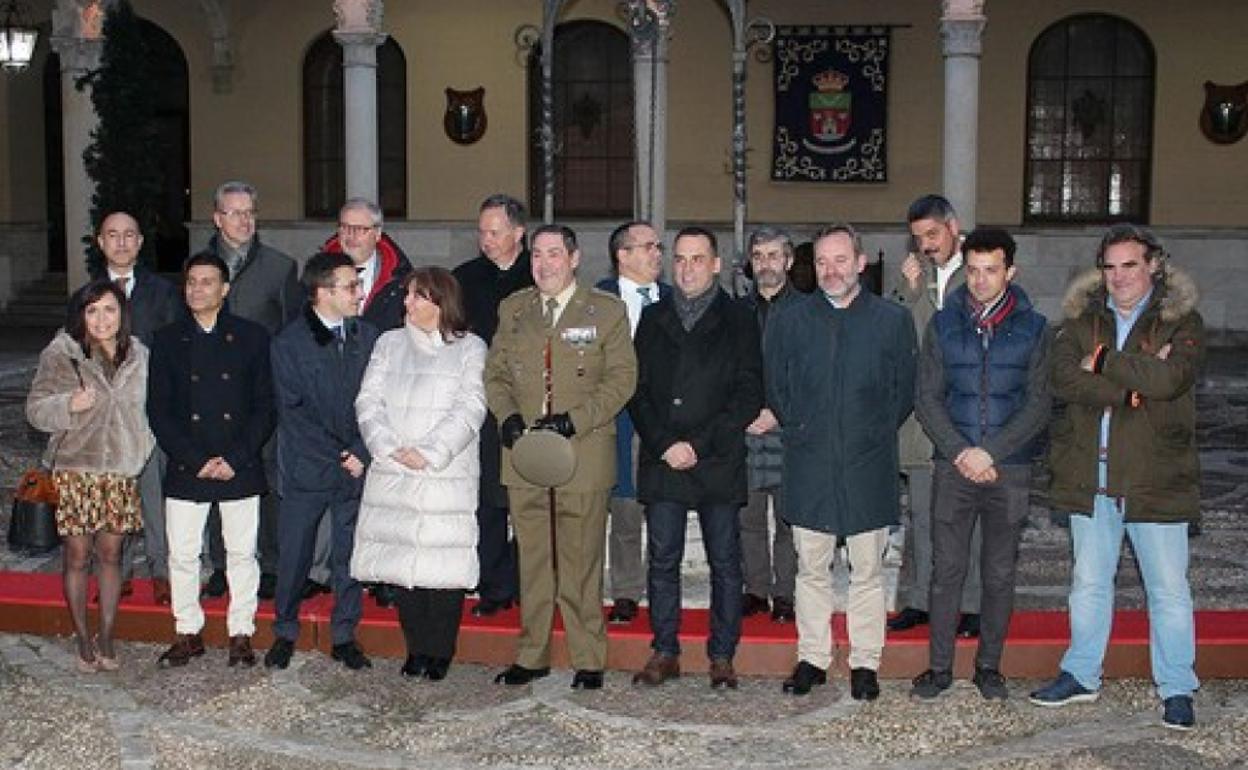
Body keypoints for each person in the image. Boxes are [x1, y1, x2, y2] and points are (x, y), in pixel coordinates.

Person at [1030, 225, 1204, 731]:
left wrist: (1103, 361)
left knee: (1169, 589)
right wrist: (1131, 386)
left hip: (1155, 476)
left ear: (1153, 266)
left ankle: (1177, 688)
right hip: (1091, 474)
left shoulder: (1181, 320)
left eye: (1130, 265)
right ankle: (1081, 674)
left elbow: (1171, 380)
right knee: (1087, 583)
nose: (1119, 276)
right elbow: (1060, 378)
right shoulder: (1082, 319)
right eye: (1110, 266)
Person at [765, 224, 917, 700]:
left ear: (860, 262)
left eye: (841, 261)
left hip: (867, 463)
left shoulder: (891, 321)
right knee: (811, 569)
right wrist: (807, 429)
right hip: (809, 461)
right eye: (824, 262)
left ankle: (865, 663)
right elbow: (778, 387)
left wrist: (865, 433)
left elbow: (903, 392)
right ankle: (812, 656)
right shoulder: (790, 320)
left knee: (867, 571)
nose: (832, 271)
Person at [485, 224, 636, 690]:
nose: (544, 263)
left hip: (583, 452)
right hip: (526, 455)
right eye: (536, 255)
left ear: (574, 259)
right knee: (531, 557)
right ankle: (532, 654)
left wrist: (576, 419)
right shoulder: (515, 309)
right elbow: (495, 375)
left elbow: (622, 380)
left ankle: (589, 656)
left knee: (581, 557)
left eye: (554, 254)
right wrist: (506, 416)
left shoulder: (606, 311)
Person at [908, 228, 1051, 700]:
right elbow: (927, 398)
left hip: (1009, 469)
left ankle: (989, 666)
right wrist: (961, 452)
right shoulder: (943, 325)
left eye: (991, 270)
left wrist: (992, 451)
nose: (981, 280)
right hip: (954, 466)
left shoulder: (1035, 329)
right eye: (972, 270)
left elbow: (1038, 403)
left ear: (1010, 271)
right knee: (945, 570)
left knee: (998, 572)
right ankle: (939, 668)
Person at [629, 226, 762, 688]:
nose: (687, 268)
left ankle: (722, 654)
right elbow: (637, 390)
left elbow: (748, 393)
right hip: (664, 457)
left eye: (697, 259)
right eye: (680, 259)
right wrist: (665, 443)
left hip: (716, 457)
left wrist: (698, 445)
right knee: (662, 559)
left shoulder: (741, 317)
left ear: (716, 264)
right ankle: (665, 650)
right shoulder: (652, 317)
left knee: (725, 562)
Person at [353, 267, 487, 681]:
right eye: (407, 295)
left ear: (440, 302)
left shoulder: (469, 348)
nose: (407, 303)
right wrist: (389, 447)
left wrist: (429, 453)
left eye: (417, 296)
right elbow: (368, 401)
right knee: (402, 565)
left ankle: (439, 650)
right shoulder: (389, 344)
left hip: (444, 472)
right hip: (396, 469)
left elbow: (471, 406)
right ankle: (416, 648)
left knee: (441, 568)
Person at [147, 253, 275, 668]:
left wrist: (236, 458)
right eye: (191, 282)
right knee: (182, 554)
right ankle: (187, 630)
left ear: (225, 289)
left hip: (239, 463)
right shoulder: (166, 340)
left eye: (207, 282)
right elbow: (159, 411)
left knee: (242, 553)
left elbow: (265, 407)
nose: (197, 289)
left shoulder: (254, 337)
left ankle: (241, 632)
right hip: (189, 464)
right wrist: (195, 459)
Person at [27, 280, 155, 672]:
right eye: (92, 310)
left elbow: (152, 409)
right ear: (81, 315)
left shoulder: (140, 355)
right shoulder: (62, 353)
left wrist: (141, 447)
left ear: (123, 314)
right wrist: (69, 403)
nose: (102, 319)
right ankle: (83, 638)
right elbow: (35, 410)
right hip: (76, 472)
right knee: (78, 557)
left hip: (119, 473)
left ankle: (107, 634)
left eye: (110, 310)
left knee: (113, 555)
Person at [264, 252, 380, 671]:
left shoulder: (369, 337)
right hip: (308, 466)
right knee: (295, 553)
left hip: (355, 466)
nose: (359, 293)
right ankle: (284, 630)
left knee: (349, 555)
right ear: (322, 292)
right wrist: (340, 453)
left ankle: (345, 634)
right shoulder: (288, 343)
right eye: (351, 286)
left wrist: (363, 450)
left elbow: (379, 402)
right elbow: (293, 413)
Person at [197, 181, 301, 601]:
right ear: (217, 218)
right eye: (234, 212)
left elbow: (293, 331)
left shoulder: (280, 267)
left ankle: (272, 565)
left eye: (250, 212)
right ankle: (223, 564)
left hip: (263, 395)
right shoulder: (198, 267)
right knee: (219, 477)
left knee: (270, 478)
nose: (244, 220)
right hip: (212, 396)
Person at [889, 194, 982, 638]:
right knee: (923, 517)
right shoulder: (914, 279)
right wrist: (910, 291)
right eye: (918, 238)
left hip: (970, 419)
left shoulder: (980, 270)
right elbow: (903, 337)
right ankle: (920, 600)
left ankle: (973, 604)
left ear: (953, 227)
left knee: (970, 519)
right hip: (923, 424)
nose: (926, 245)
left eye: (932, 234)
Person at [78, 212, 180, 606]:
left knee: (154, 494)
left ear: (140, 243)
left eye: (129, 236)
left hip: (150, 411)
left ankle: (161, 571)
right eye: (112, 236)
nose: (121, 243)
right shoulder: (86, 295)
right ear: (100, 242)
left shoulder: (163, 292)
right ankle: (114, 570)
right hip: (104, 419)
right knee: (113, 494)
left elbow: (172, 349)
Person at [453, 194, 533, 618]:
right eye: (481, 231)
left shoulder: (539, 275)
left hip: (531, 407)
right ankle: (494, 587)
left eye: (495, 232)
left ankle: (527, 584)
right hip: (481, 408)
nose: (486, 239)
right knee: (487, 503)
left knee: (528, 500)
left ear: (518, 232)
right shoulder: (464, 278)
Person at [595, 220, 669, 624]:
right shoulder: (595, 300)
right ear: (622, 255)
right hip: (616, 420)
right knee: (624, 506)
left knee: (662, 507)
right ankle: (625, 591)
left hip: (663, 420)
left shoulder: (675, 299)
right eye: (647, 247)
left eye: (658, 246)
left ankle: (662, 586)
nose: (657, 253)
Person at [740, 226, 800, 623]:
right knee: (748, 517)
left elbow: (812, 374)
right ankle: (756, 590)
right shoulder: (734, 311)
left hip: (790, 427)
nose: (766, 264)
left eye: (773, 255)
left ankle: (785, 594)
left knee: (788, 519)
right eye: (759, 256)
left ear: (789, 261)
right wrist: (747, 412)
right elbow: (725, 371)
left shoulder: (809, 312)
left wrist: (777, 411)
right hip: (745, 428)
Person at [324, 197, 413, 332]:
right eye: (345, 227)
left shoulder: (400, 278)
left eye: (360, 229)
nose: (351, 235)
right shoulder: (318, 273)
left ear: (377, 234)